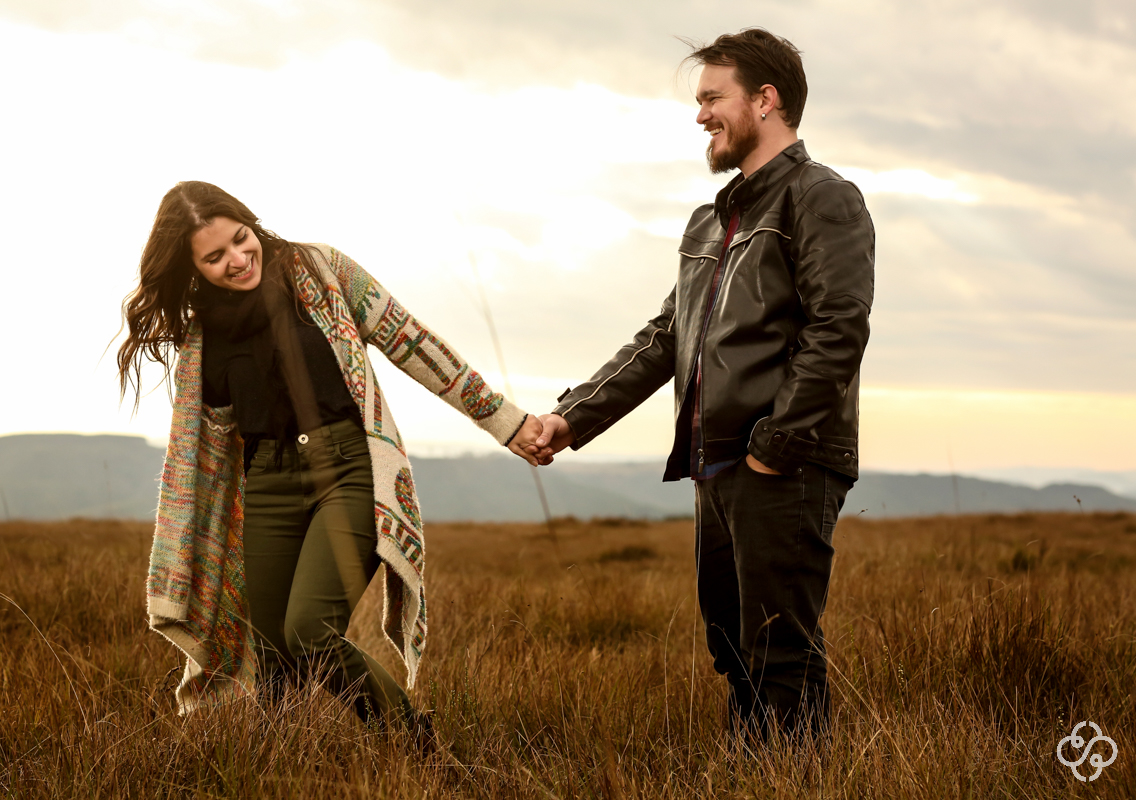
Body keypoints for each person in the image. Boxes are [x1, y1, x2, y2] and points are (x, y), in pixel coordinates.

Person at [527, 29, 875, 745]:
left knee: (781, 652)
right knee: (733, 648)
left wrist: (775, 444)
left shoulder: (823, 199)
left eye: (713, 98)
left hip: (783, 461)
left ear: (765, 101)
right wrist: (572, 418)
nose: (700, 116)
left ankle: (794, 784)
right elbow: (665, 338)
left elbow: (839, 328)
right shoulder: (713, 218)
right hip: (716, 465)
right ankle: (758, 778)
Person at [118, 181, 544, 731]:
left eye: (241, 240)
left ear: (252, 223)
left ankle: (417, 743)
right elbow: (207, 454)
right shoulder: (201, 340)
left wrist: (507, 424)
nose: (238, 260)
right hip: (267, 483)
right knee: (271, 656)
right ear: (192, 267)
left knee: (310, 631)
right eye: (215, 257)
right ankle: (280, 768)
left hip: (348, 469)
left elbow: (413, 342)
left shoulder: (321, 272)